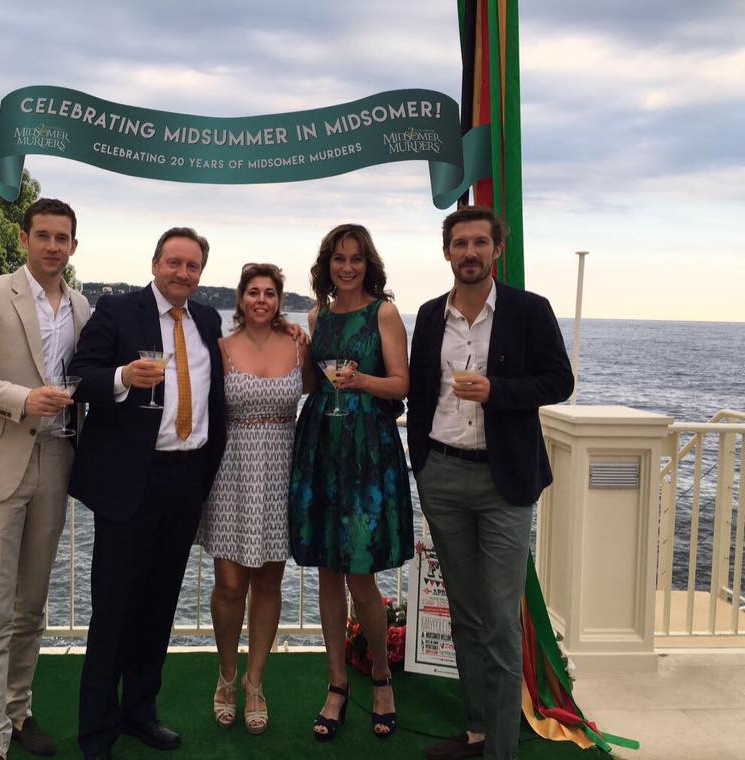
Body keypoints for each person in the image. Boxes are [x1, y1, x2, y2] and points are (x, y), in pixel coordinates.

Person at [407, 206, 574, 760]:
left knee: (501, 621)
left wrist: (496, 391)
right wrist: (422, 463)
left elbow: (560, 381)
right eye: (460, 243)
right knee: (465, 614)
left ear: (497, 249)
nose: (470, 252)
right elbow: (420, 393)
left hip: (505, 483)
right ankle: (478, 732)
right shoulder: (430, 314)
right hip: (443, 476)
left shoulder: (529, 310)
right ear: (447, 252)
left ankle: (501, 751)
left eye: (480, 242)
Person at [68, 227, 227, 760]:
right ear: (155, 263)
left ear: (200, 273)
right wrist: (121, 376)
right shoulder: (117, 310)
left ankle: (141, 712)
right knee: (114, 610)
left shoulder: (207, 320)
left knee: (159, 607)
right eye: (174, 262)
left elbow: (217, 395)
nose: (182, 273)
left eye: (192, 266)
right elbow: (79, 376)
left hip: (185, 481)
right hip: (130, 483)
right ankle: (97, 732)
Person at [0, 197, 91, 760]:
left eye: (62, 237)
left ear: (73, 245)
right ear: (24, 238)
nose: (53, 246)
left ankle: (18, 709)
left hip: (56, 461)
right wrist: (20, 399)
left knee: (31, 606)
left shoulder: (81, 306)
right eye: (43, 235)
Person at [288, 223, 414, 741]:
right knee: (326, 571)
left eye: (355, 259)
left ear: (368, 265)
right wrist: (299, 351)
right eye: (338, 259)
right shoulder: (316, 316)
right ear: (327, 265)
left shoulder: (383, 312)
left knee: (361, 574)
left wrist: (361, 380)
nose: (346, 267)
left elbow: (403, 383)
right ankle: (337, 684)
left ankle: (382, 679)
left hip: (366, 451)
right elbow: (309, 385)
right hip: (321, 444)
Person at [196, 263, 313, 734]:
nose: (261, 300)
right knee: (229, 584)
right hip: (231, 471)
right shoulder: (221, 348)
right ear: (241, 299)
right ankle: (226, 675)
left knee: (268, 581)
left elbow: (315, 389)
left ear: (279, 300)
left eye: (269, 293)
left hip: (282, 469)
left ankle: (255, 682)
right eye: (253, 292)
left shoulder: (299, 346)